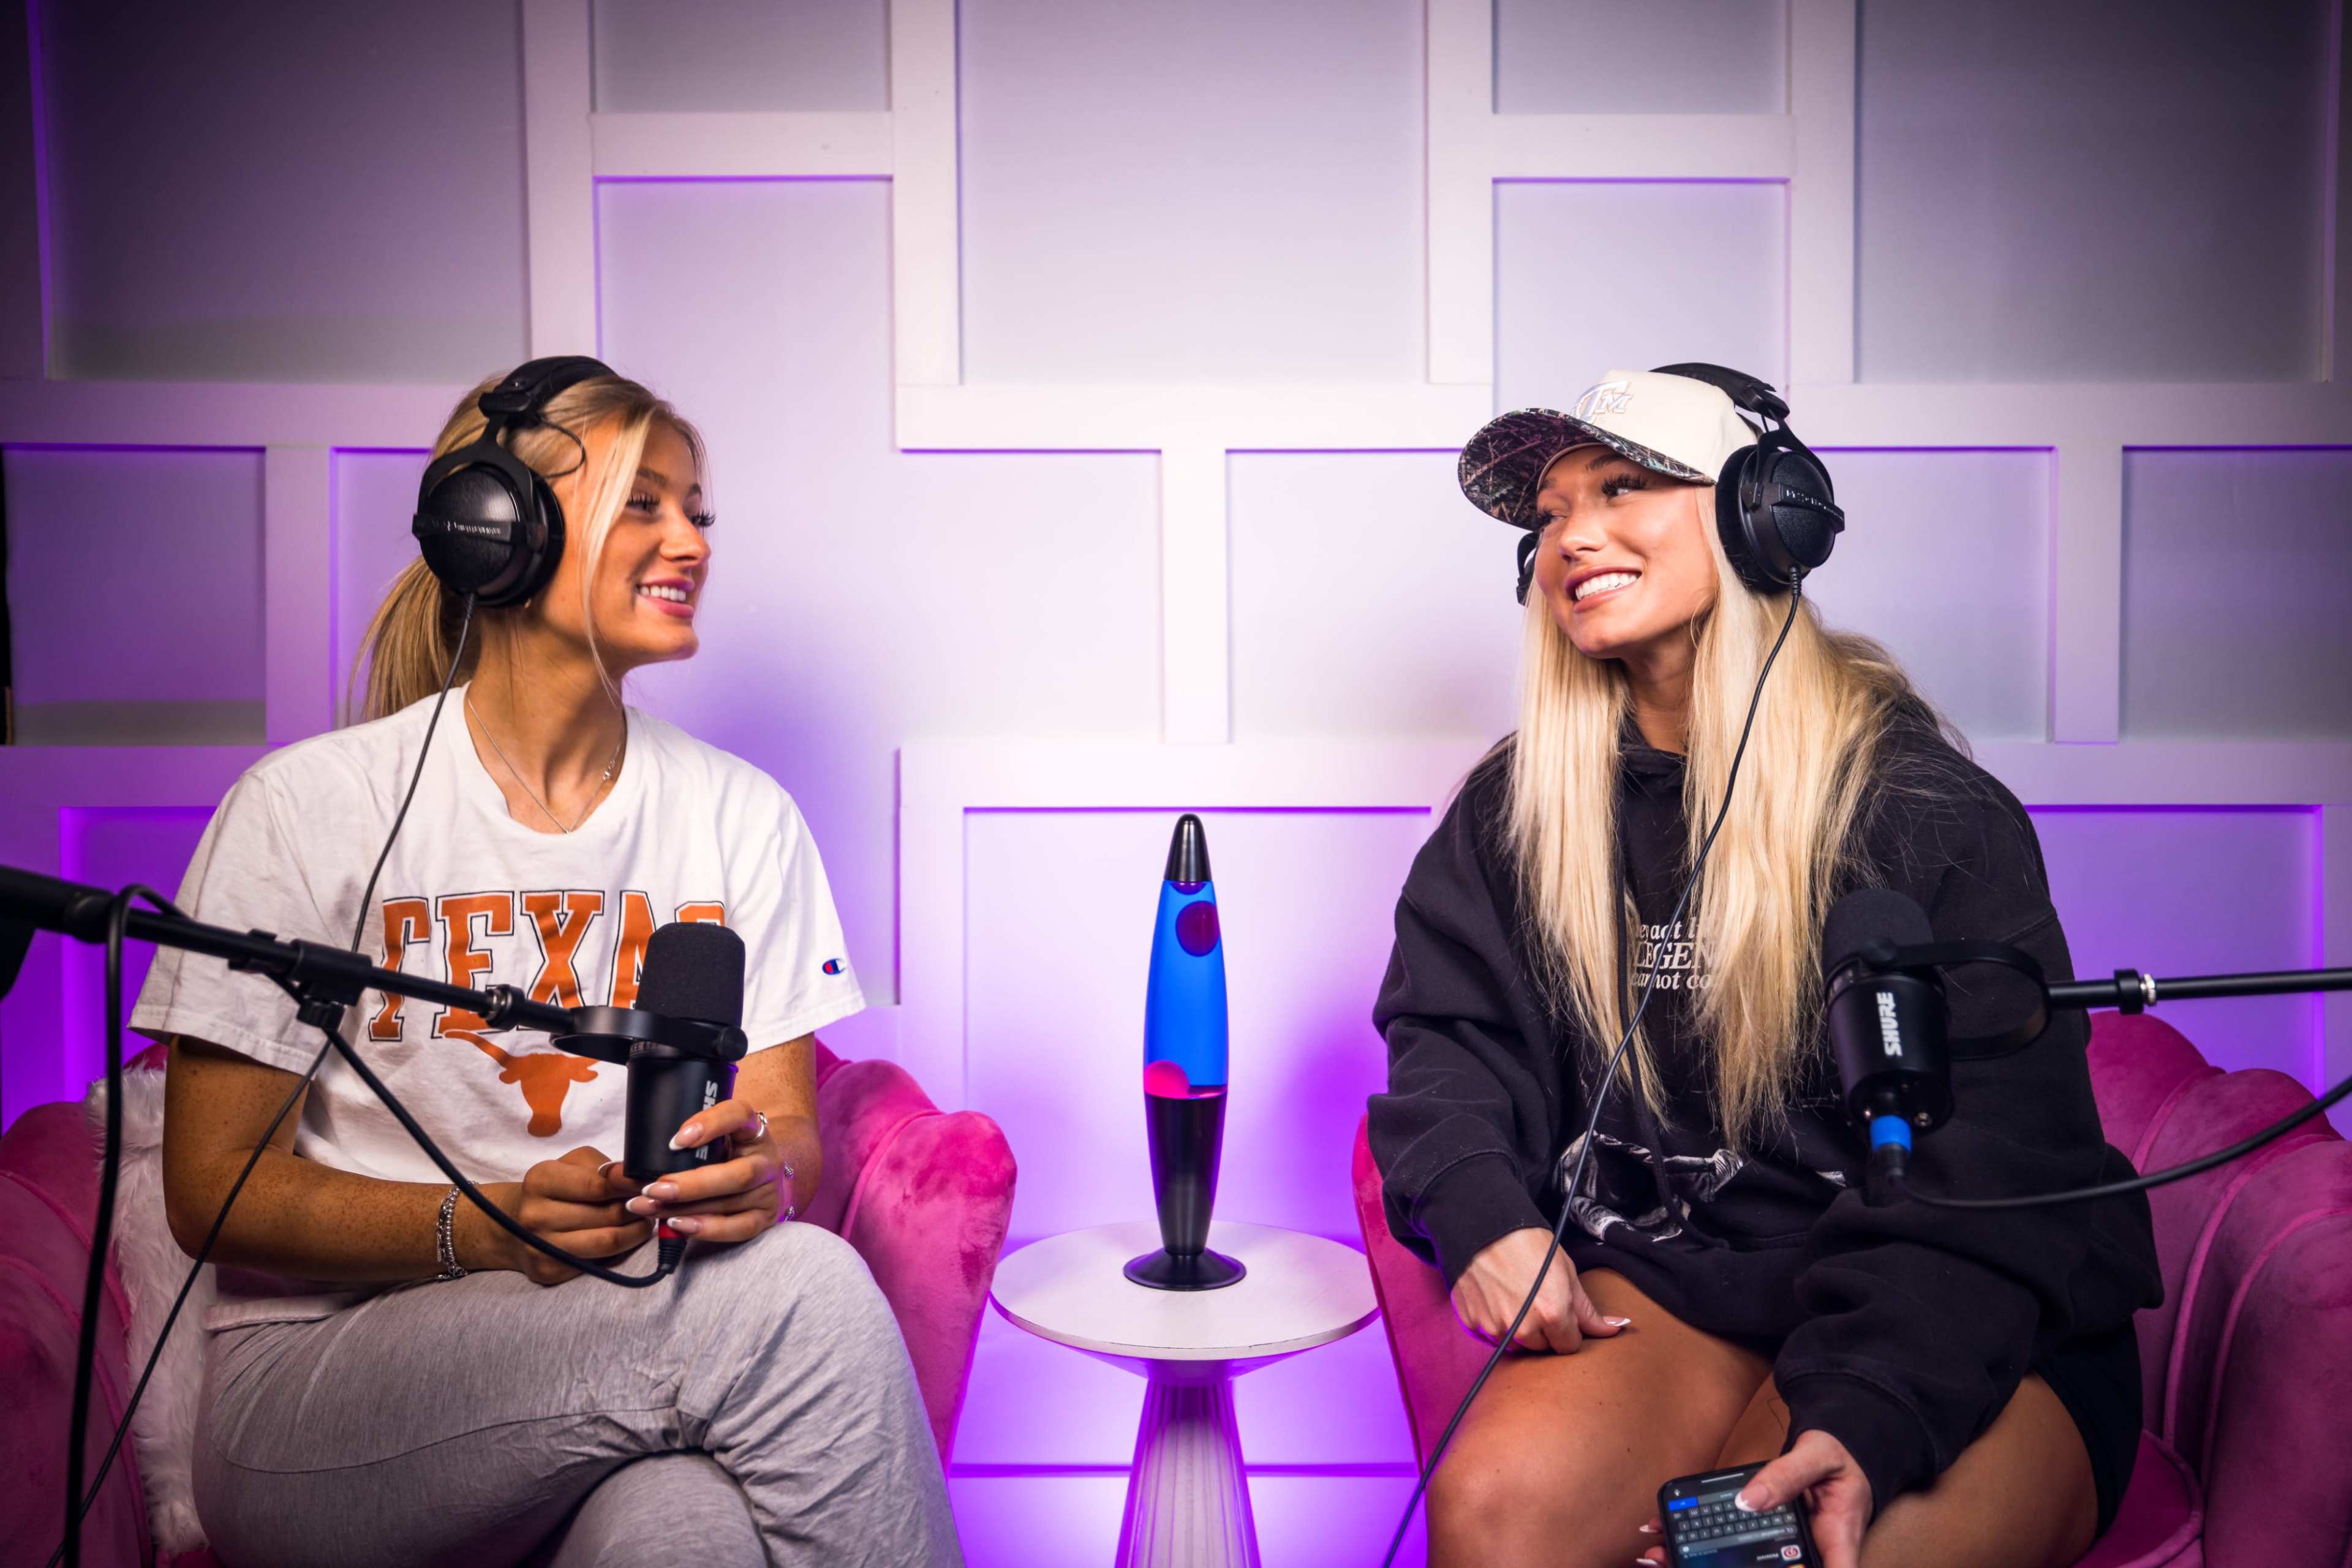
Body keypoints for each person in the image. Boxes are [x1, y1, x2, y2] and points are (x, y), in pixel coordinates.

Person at [137, 361, 961, 1566]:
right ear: (499, 530)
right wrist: (485, 1227)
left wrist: (763, 1175)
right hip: (322, 1399)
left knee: (692, 1535)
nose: (692, 541)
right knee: (805, 1292)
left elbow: (788, 1126)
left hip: (620, 1370)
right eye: (644, 503)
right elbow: (211, 1191)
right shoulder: (306, 808)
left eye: (699, 512)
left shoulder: (743, 816)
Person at [1367, 367, 2160, 1568]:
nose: (1572, 535)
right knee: (1496, 1508)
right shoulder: (1513, 813)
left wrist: (1867, 1405)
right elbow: (1449, 1039)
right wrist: (1480, 1212)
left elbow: (1996, 1164)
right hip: (1688, 1287)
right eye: (1551, 512)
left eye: (1621, 487)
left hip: (1953, 1301)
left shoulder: (1919, 810)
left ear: (1764, 514)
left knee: (1779, 1553)